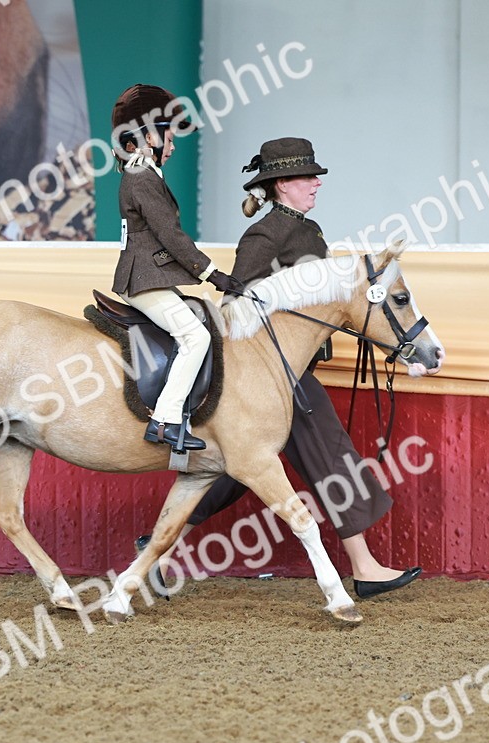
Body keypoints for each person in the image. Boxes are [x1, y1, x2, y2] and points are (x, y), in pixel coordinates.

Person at [145, 137, 421, 598]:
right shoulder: (265, 235)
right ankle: (364, 566)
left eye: (315, 176)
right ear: (281, 185)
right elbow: (237, 302)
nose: (316, 183)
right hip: (274, 375)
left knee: (234, 467)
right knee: (330, 455)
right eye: (307, 177)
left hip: (293, 369)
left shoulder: (307, 230)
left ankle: (158, 547)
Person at [110, 84, 237, 452]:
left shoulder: (144, 174)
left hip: (150, 274)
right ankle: (165, 421)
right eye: (169, 136)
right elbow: (171, 235)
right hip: (143, 278)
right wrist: (212, 274)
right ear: (147, 136)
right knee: (196, 337)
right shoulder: (141, 178)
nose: (173, 146)